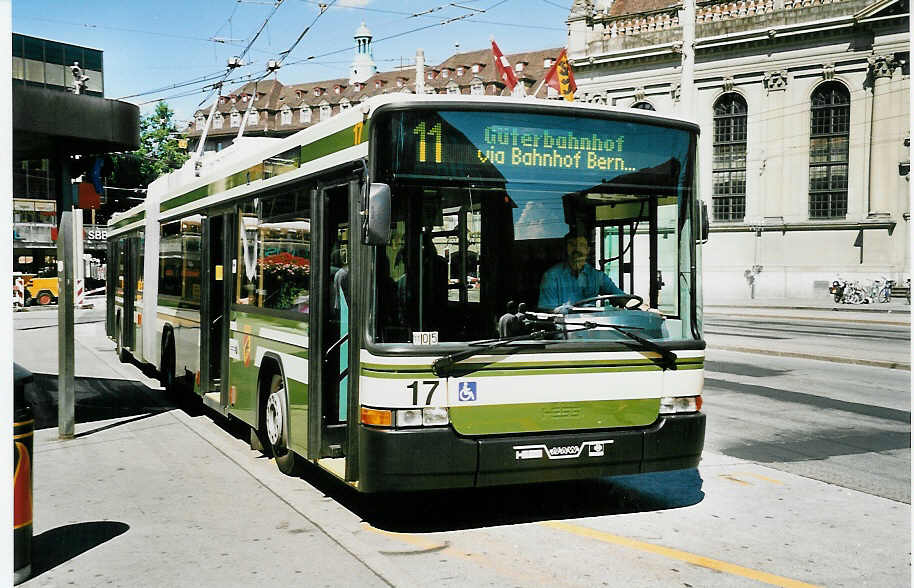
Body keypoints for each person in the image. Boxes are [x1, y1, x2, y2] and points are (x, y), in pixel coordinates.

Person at [538, 229, 625, 312]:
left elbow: (621, 297)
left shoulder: (597, 276)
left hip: (592, 325)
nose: (577, 249)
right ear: (566, 249)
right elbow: (548, 310)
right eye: (572, 244)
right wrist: (565, 311)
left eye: (582, 245)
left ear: (588, 250)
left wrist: (633, 304)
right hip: (564, 325)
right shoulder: (551, 276)